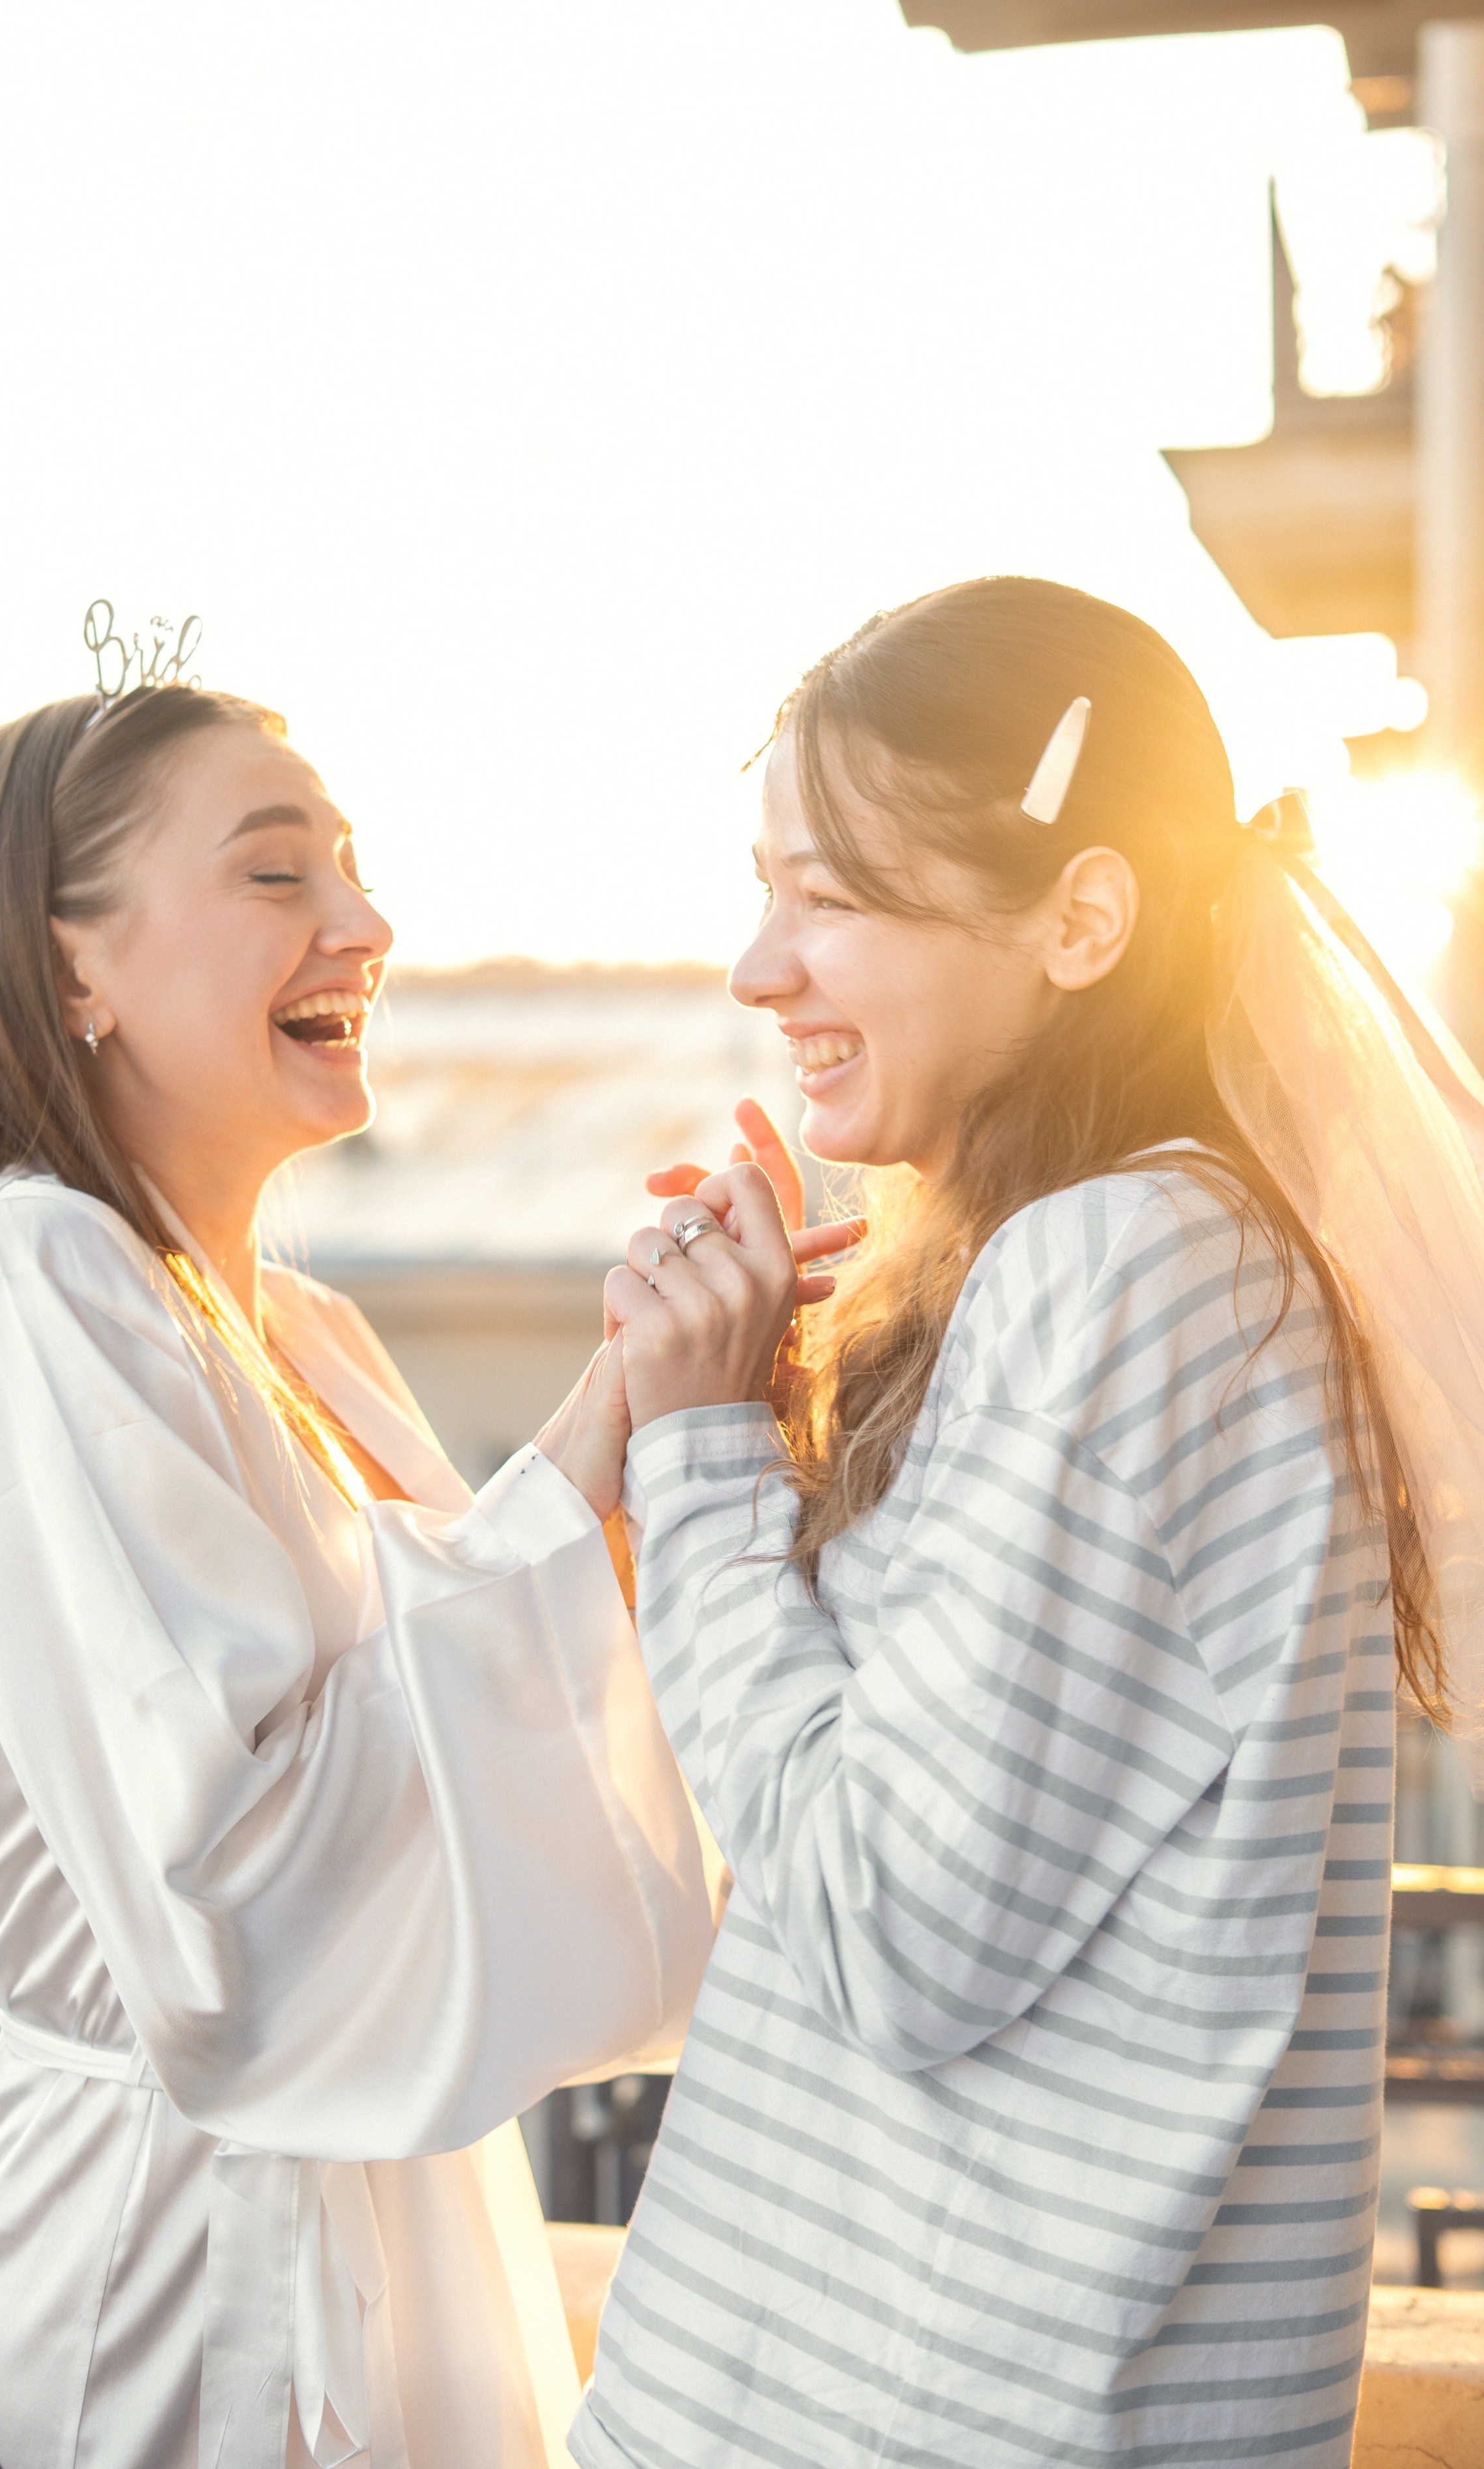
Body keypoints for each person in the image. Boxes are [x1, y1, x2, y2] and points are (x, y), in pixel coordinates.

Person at [0, 669, 838, 2469]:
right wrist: (598, 1447)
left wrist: (678, 1407)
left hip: (385, 2211)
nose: (367, 922)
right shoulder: (25, 1285)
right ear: (73, 969)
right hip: (168, 2265)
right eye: (279, 876)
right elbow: (242, 1858)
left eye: (353, 869)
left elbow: (455, 1702)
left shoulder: (305, 1328)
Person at [570, 576, 1484, 2469]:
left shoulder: (1126, 1273)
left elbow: (888, 1930)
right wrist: (791, 1415)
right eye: (765, 889)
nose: (760, 966)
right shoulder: (1133, 1263)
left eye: (829, 899)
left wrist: (705, 1459)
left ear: (1081, 918)